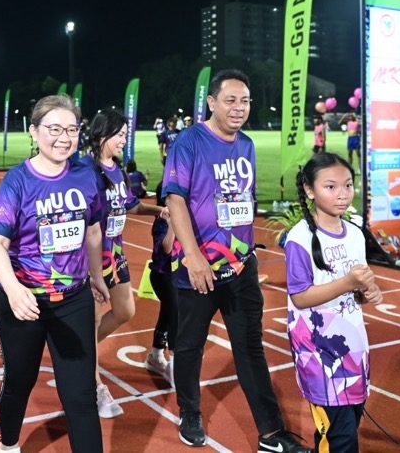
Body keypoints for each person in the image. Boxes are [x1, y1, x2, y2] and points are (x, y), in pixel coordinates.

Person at [163, 69, 309, 452]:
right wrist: (193, 256)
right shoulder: (189, 142)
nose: (239, 108)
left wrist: (247, 253)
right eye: (230, 100)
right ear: (212, 102)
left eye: (244, 101)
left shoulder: (246, 144)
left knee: (250, 347)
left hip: (242, 267)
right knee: (190, 346)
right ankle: (190, 412)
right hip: (199, 268)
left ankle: (271, 434)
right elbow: (175, 199)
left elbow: (242, 202)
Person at [0, 95, 108, 453]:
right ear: (34, 131)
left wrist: (97, 276)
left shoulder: (87, 175)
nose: (64, 138)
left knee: (81, 395)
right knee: (19, 381)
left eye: (71, 129)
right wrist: (14, 290)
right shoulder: (17, 182)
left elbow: (93, 231)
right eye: (54, 129)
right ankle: (9, 445)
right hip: (24, 301)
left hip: (74, 300)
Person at [286, 153, 382, 452]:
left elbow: (357, 288)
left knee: (348, 425)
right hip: (319, 354)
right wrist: (348, 283)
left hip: (353, 346)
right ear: (309, 190)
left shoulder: (355, 234)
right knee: (340, 436)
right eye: (331, 187)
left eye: (348, 185)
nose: (342, 194)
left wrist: (368, 292)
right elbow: (300, 297)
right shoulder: (299, 238)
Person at [81, 110, 165, 418]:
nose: (123, 141)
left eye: (125, 135)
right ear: (103, 135)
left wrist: (158, 211)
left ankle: (80, 350)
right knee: (91, 322)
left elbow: (130, 204)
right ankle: (96, 388)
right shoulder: (85, 171)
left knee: (125, 310)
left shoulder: (116, 169)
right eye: (119, 135)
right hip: (91, 260)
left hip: (116, 256)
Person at [145, 184, 178, 387]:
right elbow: (166, 248)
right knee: (175, 311)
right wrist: (173, 222)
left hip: (177, 275)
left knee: (168, 312)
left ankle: (156, 355)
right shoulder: (161, 222)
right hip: (162, 276)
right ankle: (174, 363)